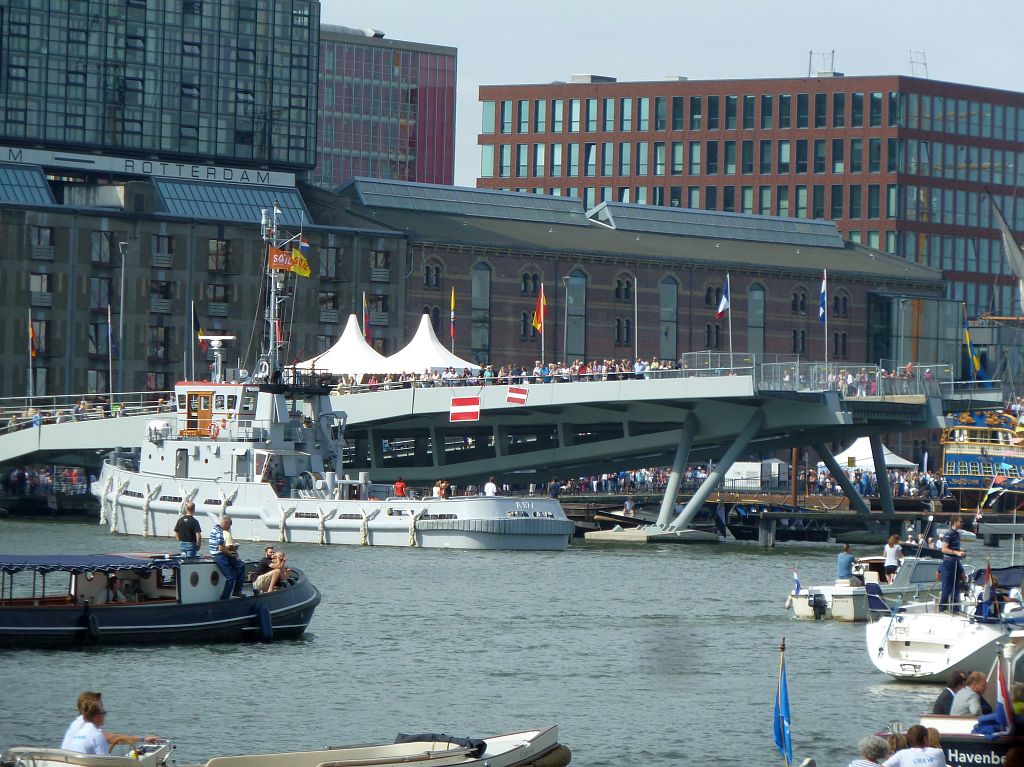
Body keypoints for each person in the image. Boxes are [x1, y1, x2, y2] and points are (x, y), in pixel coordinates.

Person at [63, 697, 158, 754]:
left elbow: (113, 738)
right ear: (97, 717)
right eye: (104, 713)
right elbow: (105, 762)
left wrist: (143, 739)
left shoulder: (79, 731)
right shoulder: (97, 736)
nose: (105, 715)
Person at [209, 514, 245, 599]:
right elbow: (220, 548)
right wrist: (230, 554)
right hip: (219, 556)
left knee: (241, 565)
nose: (229, 527)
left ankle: (237, 590)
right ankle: (224, 598)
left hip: (221, 554)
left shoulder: (217, 529)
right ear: (225, 523)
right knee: (231, 577)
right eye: (229, 525)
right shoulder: (218, 531)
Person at [939, 516, 967, 612]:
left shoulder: (957, 534)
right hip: (948, 563)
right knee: (947, 588)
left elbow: (954, 549)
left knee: (956, 587)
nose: (963, 523)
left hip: (956, 562)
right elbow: (944, 549)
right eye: (961, 521)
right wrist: (957, 553)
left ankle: (956, 610)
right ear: (954, 522)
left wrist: (960, 551)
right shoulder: (949, 534)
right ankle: (942, 610)